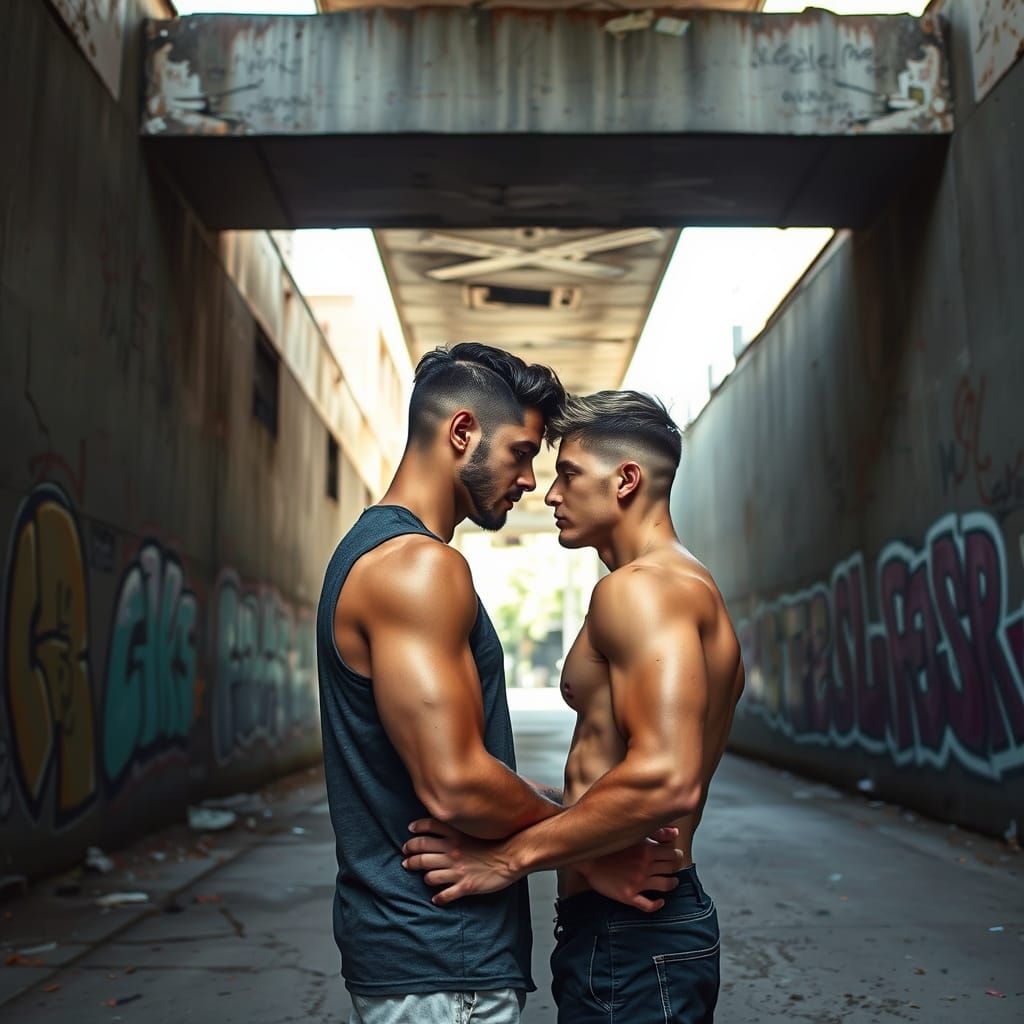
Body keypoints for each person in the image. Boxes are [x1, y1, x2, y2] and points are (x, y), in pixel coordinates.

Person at [316, 351, 682, 1024]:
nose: (529, 480)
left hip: (421, 955)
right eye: (520, 453)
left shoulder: (374, 553)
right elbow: (456, 782)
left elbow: (454, 768)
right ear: (462, 433)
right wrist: (593, 851)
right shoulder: (419, 569)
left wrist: (560, 823)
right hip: (440, 956)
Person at [402, 390, 746, 1023]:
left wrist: (507, 858)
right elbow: (628, 764)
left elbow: (667, 775)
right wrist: (531, 801)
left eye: (567, 475)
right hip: (637, 928)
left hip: (633, 931)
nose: (549, 494)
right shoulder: (684, 584)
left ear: (626, 480)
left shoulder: (642, 592)